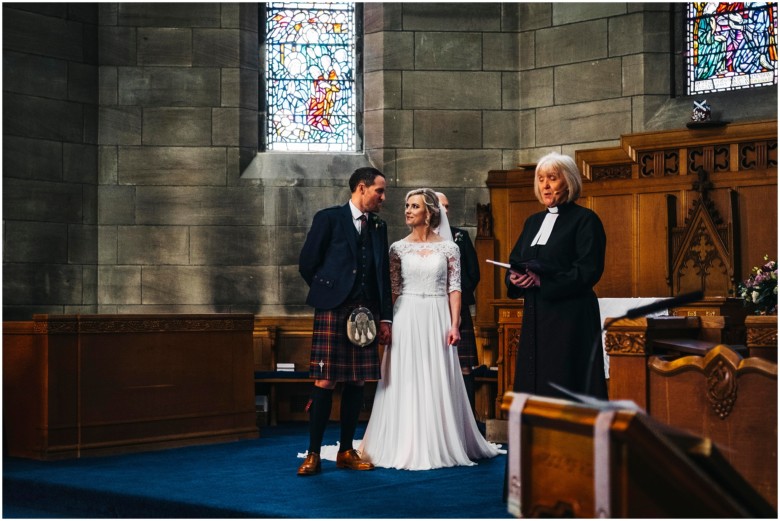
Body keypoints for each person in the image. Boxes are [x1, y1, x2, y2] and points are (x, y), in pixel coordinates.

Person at [356, 188, 503, 470]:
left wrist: (455, 323)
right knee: (404, 376)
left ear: (429, 213)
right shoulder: (397, 248)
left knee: (436, 374)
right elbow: (394, 289)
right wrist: (386, 322)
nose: (407, 210)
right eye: (406, 206)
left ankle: (439, 439)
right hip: (406, 315)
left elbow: (455, 288)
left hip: (437, 314)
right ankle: (402, 439)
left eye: (414, 206)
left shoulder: (450, 248)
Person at [296, 167, 393, 476]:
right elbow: (307, 263)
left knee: (358, 380)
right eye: (379, 190)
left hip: (367, 312)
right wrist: (329, 290)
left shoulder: (379, 226)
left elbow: (382, 275)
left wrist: (384, 316)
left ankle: (346, 450)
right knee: (325, 380)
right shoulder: (328, 218)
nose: (383, 197)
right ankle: (312, 453)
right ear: (361, 188)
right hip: (333, 309)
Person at [504, 152, 608, 400]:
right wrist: (514, 278)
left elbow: (589, 270)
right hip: (536, 315)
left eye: (552, 178)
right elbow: (515, 260)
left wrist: (544, 281)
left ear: (569, 181)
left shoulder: (586, 220)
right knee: (535, 380)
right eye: (541, 179)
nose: (546, 185)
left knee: (565, 380)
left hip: (571, 319)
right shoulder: (533, 222)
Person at [435, 191, 480, 418]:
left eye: (447, 206)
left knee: (464, 366)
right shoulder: (418, 237)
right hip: (429, 310)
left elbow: (473, 273)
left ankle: (467, 420)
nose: (444, 210)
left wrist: (456, 300)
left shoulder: (460, 237)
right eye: (439, 205)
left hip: (458, 309)